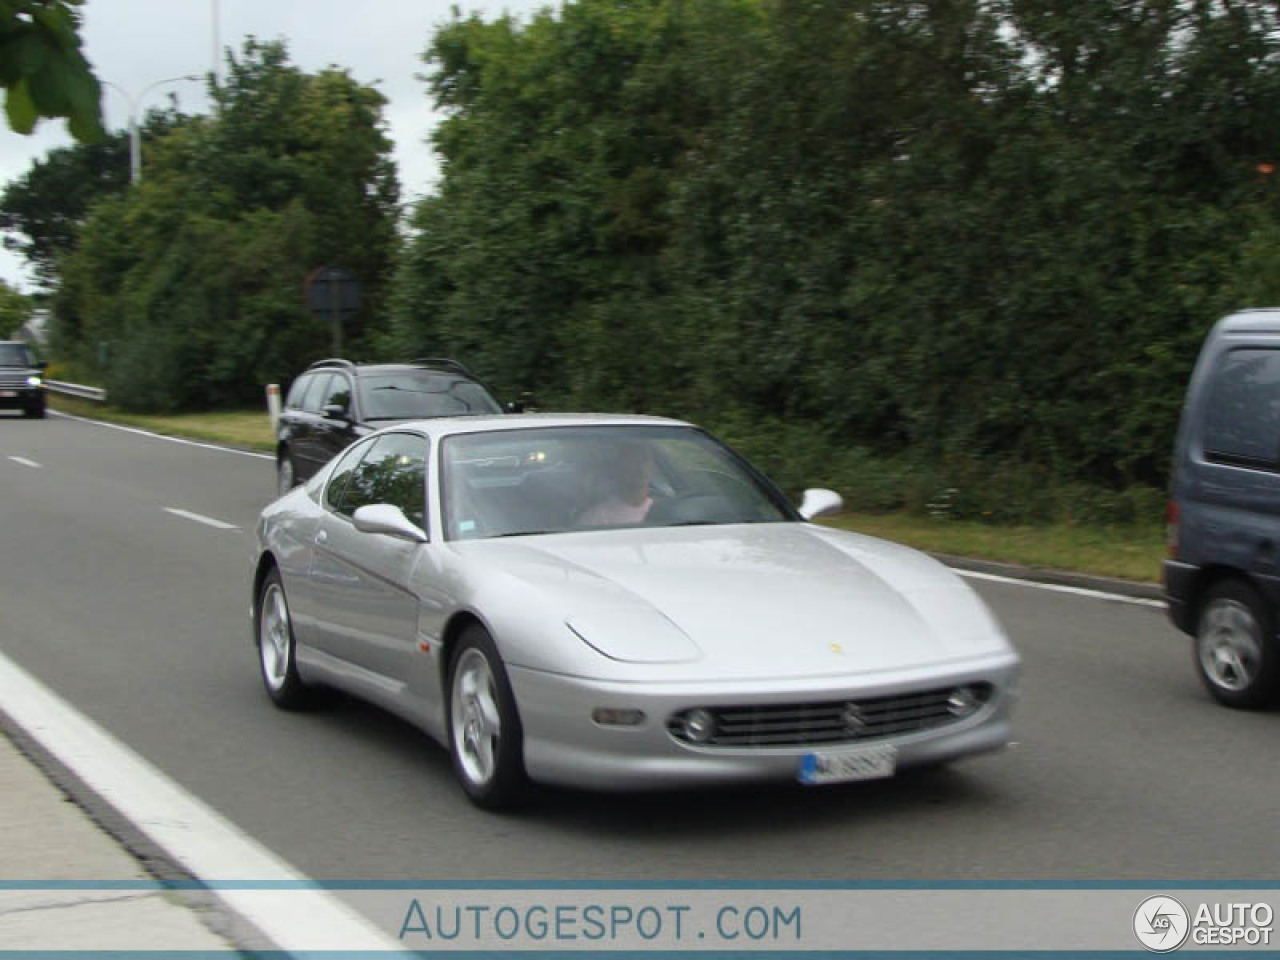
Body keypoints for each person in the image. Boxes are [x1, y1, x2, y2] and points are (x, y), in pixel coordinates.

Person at [578, 442, 654, 527]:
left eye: (644, 461)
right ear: (618, 470)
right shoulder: (596, 519)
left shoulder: (667, 510)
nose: (641, 468)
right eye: (633, 462)